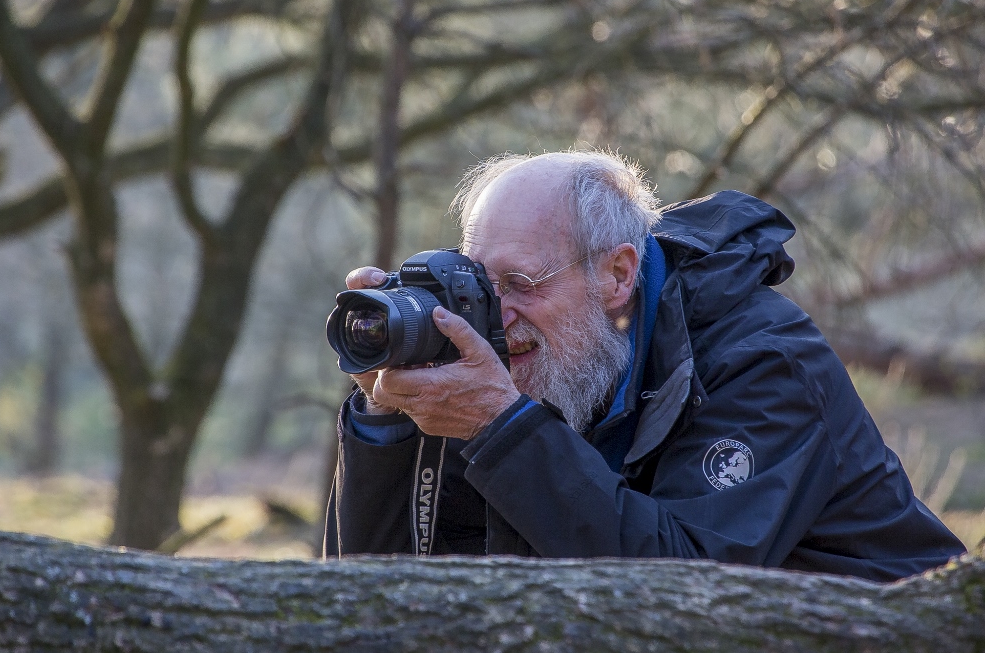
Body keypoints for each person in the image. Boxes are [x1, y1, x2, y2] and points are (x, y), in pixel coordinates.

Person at [322, 150, 966, 581]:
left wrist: (503, 429)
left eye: (522, 282)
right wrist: (389, 421)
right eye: (483, 285)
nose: (499, 313)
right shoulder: (546, 366)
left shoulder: (761, 364)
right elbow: (384, 592)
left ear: (618, 274)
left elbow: (683, 590)